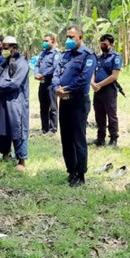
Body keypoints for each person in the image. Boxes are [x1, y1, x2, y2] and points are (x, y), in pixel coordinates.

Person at [52, 25, 97, 187]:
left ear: (80, 37)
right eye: (67, 37)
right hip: (64, 102)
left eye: (72, 37)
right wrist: (57, 88)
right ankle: (71, 170)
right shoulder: (64, 56)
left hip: (78, 102)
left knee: (78, 138)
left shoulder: (88, 56)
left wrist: (67, 89)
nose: (69, 40)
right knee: (66, 138)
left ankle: (80, 173)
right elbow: (56, 73)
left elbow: (84, 79)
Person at [0, 36, 30, 171]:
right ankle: (5, 153)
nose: (3, 50)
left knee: (17, 129)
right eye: (3, 48)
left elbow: (15, 83)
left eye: (6, 48)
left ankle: (21, 160)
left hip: (15, 102)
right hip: (1, 101)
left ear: (14, 48)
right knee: (2, 128)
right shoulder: (4, 63)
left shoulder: (21, 63)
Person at [90, 34, 122, 147]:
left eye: (105, 44)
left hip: (109, 90)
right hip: (97, 91)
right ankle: (100, 138)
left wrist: (100, 84)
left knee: (111, 114)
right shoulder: (97, 58)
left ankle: (113, 138)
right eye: (101, 43)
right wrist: (93, 83)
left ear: (111, 45)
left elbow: (114, 76)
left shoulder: (116, 57)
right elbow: (92, 72)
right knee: (99, 114)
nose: (102, 46)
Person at [34, 33, 60, 134]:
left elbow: (54, 67)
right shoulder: (42, 53)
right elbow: (37, 65)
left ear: (53, 42)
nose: (44, 43)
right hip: (42, 83)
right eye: (43, 41)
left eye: (46, 41)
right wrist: (36, 74)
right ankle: (44, 128)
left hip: (51, 83)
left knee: (52, 106)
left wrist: (43, 74)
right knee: (43, 106)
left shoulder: (56, 54)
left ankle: (53, 128)